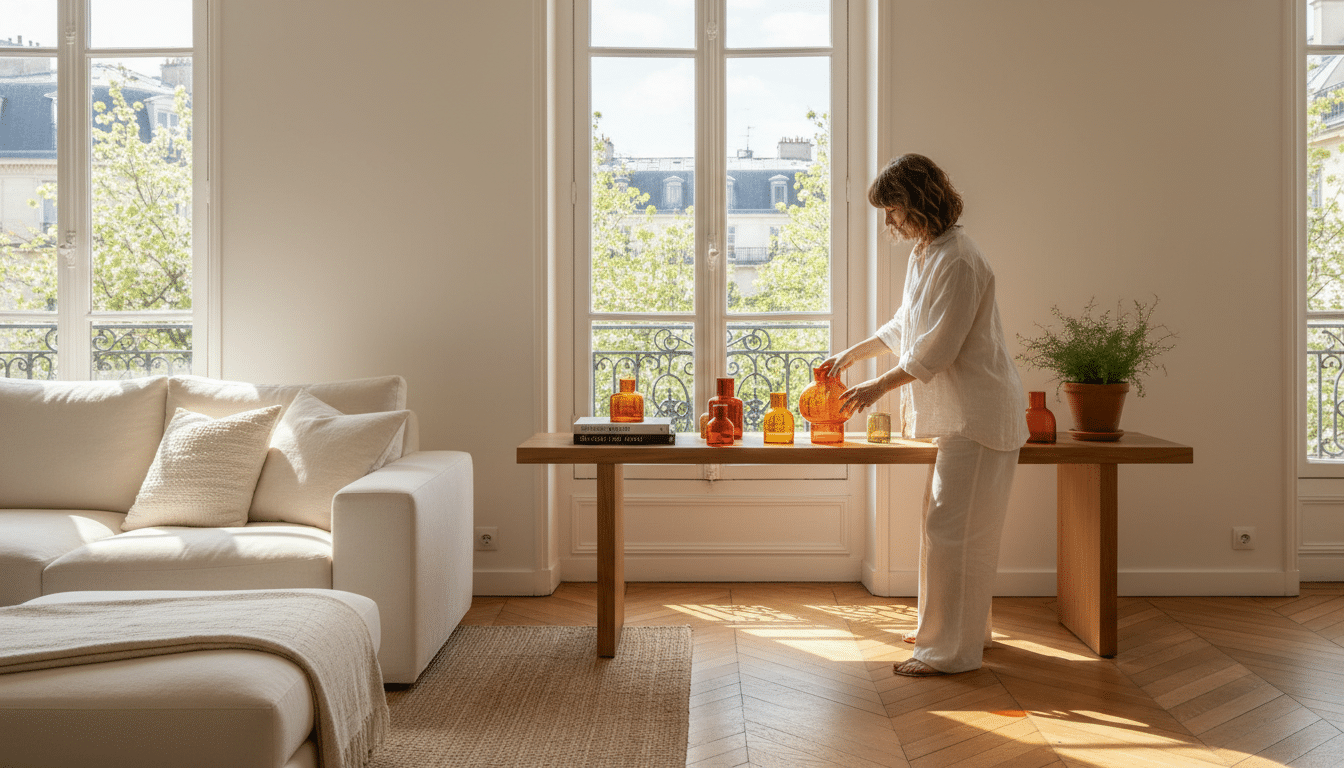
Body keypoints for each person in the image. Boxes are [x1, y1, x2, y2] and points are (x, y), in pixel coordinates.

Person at [819, 153, 1028, 677]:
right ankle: (950, 630)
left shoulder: (959, 258)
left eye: (893, 209)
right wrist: (850, 355)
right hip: (957, 416)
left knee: (955, 530)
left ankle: (948, 652)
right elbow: (904, 325)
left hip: (977, 413)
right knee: (945, 528)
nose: (889, 221)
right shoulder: (927, 251)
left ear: (919, 202)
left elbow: (938, 348)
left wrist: (875, 388)